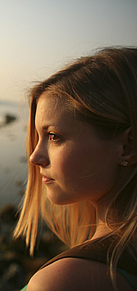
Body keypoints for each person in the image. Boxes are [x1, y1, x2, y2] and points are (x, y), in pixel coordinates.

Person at [13, 47, 137, 291]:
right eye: (38, 138)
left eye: (53, 136)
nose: (34, 157)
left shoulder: (66, 281)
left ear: (128, 146)